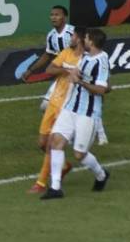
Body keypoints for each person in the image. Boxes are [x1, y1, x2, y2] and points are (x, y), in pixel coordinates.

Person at [41, 28, 111, 200]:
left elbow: (101, 89)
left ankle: (101, 175)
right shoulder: (86, 57)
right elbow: (78, 72)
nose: (83, 40)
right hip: (70, 108)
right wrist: (73, 73)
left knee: (79, 154)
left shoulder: (101, 61)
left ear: (91, 42)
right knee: (56, 141)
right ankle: (55, 188)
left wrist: (79, 81)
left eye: (86, 38)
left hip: (87, 113)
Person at [27, 28, 88, 193]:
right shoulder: (66, 52)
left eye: (74, 35)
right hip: (54, 102)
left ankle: (40, 183)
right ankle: (64, 166)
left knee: (51, 145)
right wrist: (68, 70)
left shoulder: (86, 59)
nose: (71, 38)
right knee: (42, 143)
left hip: (68, 108)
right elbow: (50, 69)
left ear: (81, 39)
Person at [21, 6, 74, 111]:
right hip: (63, 75)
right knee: (45, 106)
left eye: (57, 15)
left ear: (64, 17)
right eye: (52, 15)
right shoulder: (51, 35)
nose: (53, 17)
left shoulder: (73, 33)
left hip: (75, 74)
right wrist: (30, 70)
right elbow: (47, 55)